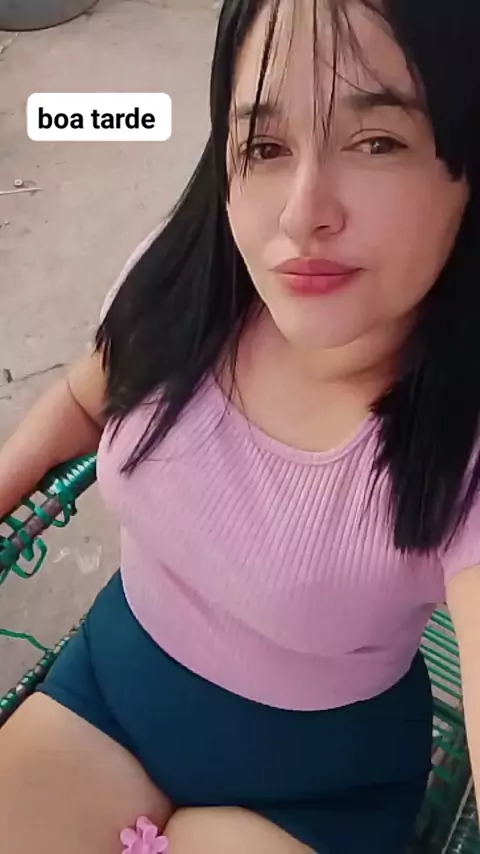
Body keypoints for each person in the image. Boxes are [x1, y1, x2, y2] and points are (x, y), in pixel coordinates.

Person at [0, 0, 479, 851]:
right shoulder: (183, 288)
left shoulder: (461, 429)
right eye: (264, 146)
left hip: (318, 792)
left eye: (377, 141)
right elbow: (81, 401)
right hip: (107, 696)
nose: (302, 213)